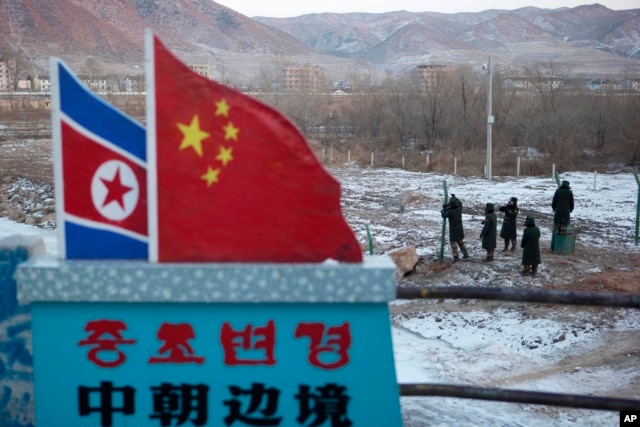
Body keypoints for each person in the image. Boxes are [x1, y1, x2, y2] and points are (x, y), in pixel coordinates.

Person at [440, 194, 470, 262]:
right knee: (461, 242)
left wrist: (443, 210)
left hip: (453, 230)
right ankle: (465, 254)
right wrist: (455, 198)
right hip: (460, 229)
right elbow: (460, 203)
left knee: (454, 244)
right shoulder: (459, 209)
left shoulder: (450, 212)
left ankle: (456, 257)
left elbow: (444, 215)